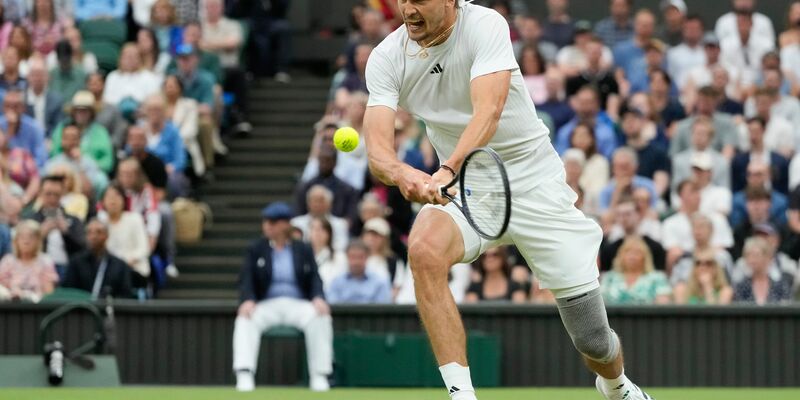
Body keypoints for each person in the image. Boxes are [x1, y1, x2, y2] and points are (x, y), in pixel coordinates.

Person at [363, 1, 653, 399]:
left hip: (533, 180)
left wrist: (445, 169)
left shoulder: (485, 25)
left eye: (420, 0)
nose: (408, 9)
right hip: (468, 188)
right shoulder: (385, 58)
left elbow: (490, 110)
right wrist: (403, 174)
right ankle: (461, 395)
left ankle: (617, 386)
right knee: (424, 250)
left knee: (594, 343)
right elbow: (378, 152)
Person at [233, 201, 332, 392]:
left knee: (321, 316)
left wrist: (318, 297)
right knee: (245, 319)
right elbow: (246, 278)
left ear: (285, 225)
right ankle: (244, 373)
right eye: (266, 221)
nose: (267, 225)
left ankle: (319, 375)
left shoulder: (303, 249)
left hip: (298, 305)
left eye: (272, 221)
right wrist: (247, 300)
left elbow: (315, 278)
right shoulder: (256, 249)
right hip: (266, 305)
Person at [661, 181, 733, 268]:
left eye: (698, 191)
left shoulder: (717, 219)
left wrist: (703, 255)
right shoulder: (670, 223)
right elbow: (673, 251)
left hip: (712, 264)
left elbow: (722, 247)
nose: (697, 195)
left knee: (723, 256)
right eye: (692, 191)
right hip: (685, 265)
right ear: (681, 196)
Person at [23, 174, 85, 274]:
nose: (52, 199)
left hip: (68, 269)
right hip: (36, 270)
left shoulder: (74, 221)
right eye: (48, 194)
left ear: (63, 195)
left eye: (56, 195)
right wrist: (39, 235)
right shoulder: (29, 219)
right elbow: (20, 249)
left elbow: (82, 250)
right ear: (40, 193)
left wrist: (66, 232)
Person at [63, 219, 133, 299]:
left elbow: (126, 295)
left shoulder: (120, 266)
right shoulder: (75, 263)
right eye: (89, 232)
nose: (93, 236)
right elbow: (68, 292)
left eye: (98, 232)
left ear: (107, 235)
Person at [97, 183, 151, 284]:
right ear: (103, 201)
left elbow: (144, 248)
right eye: (109, 196)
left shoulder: (135, 219)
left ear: (123, 199)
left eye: (117, 196)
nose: (113, 200)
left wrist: (126, 262)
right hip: (108, 272)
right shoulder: (101, 223)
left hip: (134, 270)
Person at [49, 91, 114, 174]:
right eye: (78, 110)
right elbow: (54, 153)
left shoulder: (101, 132)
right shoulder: (62, 128)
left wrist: (86, 162)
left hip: (92, 174)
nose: (81, 113)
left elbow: (108, 163)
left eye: (85, 110)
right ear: (73, 112)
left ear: (91, 112)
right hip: (63, 171)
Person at [294, 144, 359, 221]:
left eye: (328, 160)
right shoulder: (305, 187)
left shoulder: (347, 190)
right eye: (321, 160)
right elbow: (299, 213)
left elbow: (350, 216)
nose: (324, 164)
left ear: (335, 163)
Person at [600, 236, 671, 305]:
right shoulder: (609, 278)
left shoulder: (657, 278)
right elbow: (600, 304)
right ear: (621, 256)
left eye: (637, 252)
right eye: (628, 252)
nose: (632, 256)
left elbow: (662, 305)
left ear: (645, 257)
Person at [43, 122, 108, 198]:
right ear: (62, 141)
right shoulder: (53, 164)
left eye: (74, 138)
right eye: (67, 138)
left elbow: (87, 191)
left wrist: (79, 163)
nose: (70, 141)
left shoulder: (89, 162)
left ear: (80, 141)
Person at [670, 87, 737, 159]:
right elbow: (674, 155)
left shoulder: (726, 123)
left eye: (708, 101)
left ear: (715, 102)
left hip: (716, 165)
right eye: (702, 100)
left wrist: (717, 166)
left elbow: (728, 151)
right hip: (687, 166)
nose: (705, 104)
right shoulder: (682, 126)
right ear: (696, 101)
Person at [669, 213, 735, 287]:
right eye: (694, 227)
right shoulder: (684, 257)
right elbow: (675, 283)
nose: (697, 231)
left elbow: (729, 284)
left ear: (711, 230)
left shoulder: (722, 257)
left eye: (701, 227)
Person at [0, 219, 58, 302]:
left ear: (38, 240)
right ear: (16, 240)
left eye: (31, 237)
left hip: (37, 308)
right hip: (10, 307)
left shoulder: (46, 261)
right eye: (22, 237)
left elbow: (49, 293)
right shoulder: (8, 260)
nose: (26, 241)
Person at [600, 200, 665, 272]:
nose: (623, 218)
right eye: (619, 215)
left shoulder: (655, 247)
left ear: (639, 215)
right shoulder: (609, 249)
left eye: (627, 214)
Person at [555, 85, 617, 159]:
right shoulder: (565, 132)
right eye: (582, 103)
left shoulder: (607, 133)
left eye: (589, 102)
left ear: (597, 104)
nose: (585, 108)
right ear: (576, 104)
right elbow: (560, 158)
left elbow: (609, 160)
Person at [732, 117, 790, 195]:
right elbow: (736, 188)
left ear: (764, 131)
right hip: (747, 200)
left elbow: (784, 188)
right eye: (750, 131)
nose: (753, 136)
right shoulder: (739, 161)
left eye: (756, 131)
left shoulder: (780, 161)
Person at [670, 117, 730, 192]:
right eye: (696, 133)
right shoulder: (679, 160)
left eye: (702, 133)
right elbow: (675, 191)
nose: (699, 137)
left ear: (710, 137)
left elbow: (724, 191)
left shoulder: (722, 162)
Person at [327, 239, 392, 304]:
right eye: (353, 257)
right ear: (346, 257)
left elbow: (383, 309)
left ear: (367, 257)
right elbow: (333, 307)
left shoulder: (379, 282)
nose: (356, 262)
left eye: (360, 257)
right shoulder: (336, 282)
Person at [163, 74, 204, 177]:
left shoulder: (190, 105)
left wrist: (171, 140)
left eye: (172, 86)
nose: (169, 88)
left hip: (184, 145)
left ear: (180, 88)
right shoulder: (158, 106)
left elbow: (191, 130)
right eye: (167, 86)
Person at [733, 236, 794, 304]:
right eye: (748, 255)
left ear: (768, 257)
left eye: (756, 255)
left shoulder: (781, 285)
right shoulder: (741, 286)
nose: (752, 260)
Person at [598, 147, 657, 214]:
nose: (622, 172)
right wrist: (617, 192)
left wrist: (641, 200)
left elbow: (654, 215)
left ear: (636, 167)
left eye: (625, 167)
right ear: (613, 169)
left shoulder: (648, 186)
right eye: (618, 167)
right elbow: (605, 220)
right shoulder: (606, 190)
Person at [291, 185, 349, 252]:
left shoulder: (340, 224)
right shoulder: (296, 223)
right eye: (314, 201)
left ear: (329, 204)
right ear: (308, 203)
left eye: (321, 200)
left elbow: (341, 247)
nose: (317, 204)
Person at [730, 163, 789, 229]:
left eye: (758, 174)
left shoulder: (781, 201)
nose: (753, 178)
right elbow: (736, 226)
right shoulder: (737, 200)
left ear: (768, 175)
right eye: (749, 174)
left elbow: (782, 228)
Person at [0, 89, 46, 168]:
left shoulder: (35, 127)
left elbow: (41, 159)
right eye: (8, 106)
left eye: (16, 106)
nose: (11, 110)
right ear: (2, 108)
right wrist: (10, 130)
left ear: (23, 108)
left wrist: (24, 168)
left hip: (28, 172)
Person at [0, 125, 39, 205]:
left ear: (5, 136)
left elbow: (35, 179)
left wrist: (25, 199)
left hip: (22, 198)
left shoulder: (20, 153)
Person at [25, 56, 62, 137]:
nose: (38, 78)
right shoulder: (22, 99)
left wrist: (51, 140)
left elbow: (58, 126)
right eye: (34, 75)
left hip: (49, 140)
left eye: (41, 74)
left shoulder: (56, 100)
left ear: (48, 77)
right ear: (28, 77)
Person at [667, 14, 706, 90]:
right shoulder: (672, 53)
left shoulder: (708, 52)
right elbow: (669, 78)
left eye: (695, 28)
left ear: (702, 30)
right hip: (679, 96)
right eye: (688, 28)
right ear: (683, 30)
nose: (692, 31)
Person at [308, 216, 347, 293]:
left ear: (329, 233)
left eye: (322, 229)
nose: (317, 232)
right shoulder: (302, 257)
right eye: (314, 229)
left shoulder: (339, 257)